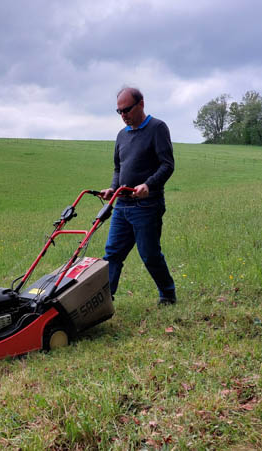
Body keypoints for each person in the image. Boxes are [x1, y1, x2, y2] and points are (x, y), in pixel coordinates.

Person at [99, 87, 177, 306]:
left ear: (141, 104)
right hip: (122, 205)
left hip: (147, 206)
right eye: (119, 111)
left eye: (126, 110)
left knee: (149, 254)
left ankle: (168, 294)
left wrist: (148, 185)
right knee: (112, 254)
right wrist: (112, 189)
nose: (123, 115)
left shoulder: (157, 128)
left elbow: (167, 165)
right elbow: (118, 168)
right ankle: (105, 300)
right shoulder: (121, 136)